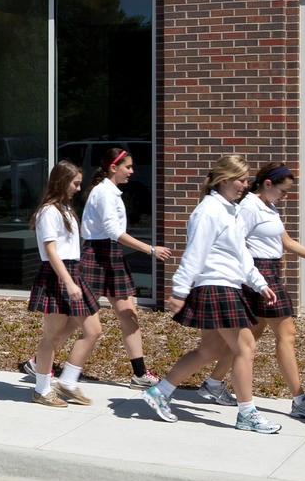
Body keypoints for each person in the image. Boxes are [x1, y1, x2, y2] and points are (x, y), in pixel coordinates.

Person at [138, 153, 281, 434]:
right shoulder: (208, 211)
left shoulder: (229, 210)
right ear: (225, 180)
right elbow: (194, 254)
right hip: (216, 285)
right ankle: (247, 414)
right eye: (241, 179)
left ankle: (159, 392)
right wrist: (179, 290)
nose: (245, 184)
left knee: (211, 349)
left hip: (228, 285)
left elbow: (241, 254)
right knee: (245, 347)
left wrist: (259, 282)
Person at [206, 164, 305, 421]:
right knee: (286, 333)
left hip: (268, 271)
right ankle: (300, 399)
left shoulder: (269, 207)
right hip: (259, 274)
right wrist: (250, 277)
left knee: (252, 335)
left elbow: (287, 242)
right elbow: (234, 243)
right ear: (267, 184)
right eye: (284, 190)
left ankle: (213, 384)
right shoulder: (248, 207)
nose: (286, 195)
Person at [76, 146, 174, 387]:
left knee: (129, 315)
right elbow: (113, 231)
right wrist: (150, 249)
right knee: (74, 321)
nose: (132, 171)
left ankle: (139, 374)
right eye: (128, 167)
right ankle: (40, 362)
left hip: (110, 256)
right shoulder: (105, 193)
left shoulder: (112, 192)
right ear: (114, 168)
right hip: (96, 255)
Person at [25, 161, 98, 407]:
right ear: (62, 181)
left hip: (71, 272)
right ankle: (42, 390)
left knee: (93, 330)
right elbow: (51, 251)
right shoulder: (49, 211)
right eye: (75, 183)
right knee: (52, 337)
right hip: (59, 274)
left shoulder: (65, 209)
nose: (78, 188)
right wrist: (68, 281)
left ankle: (67, 382)